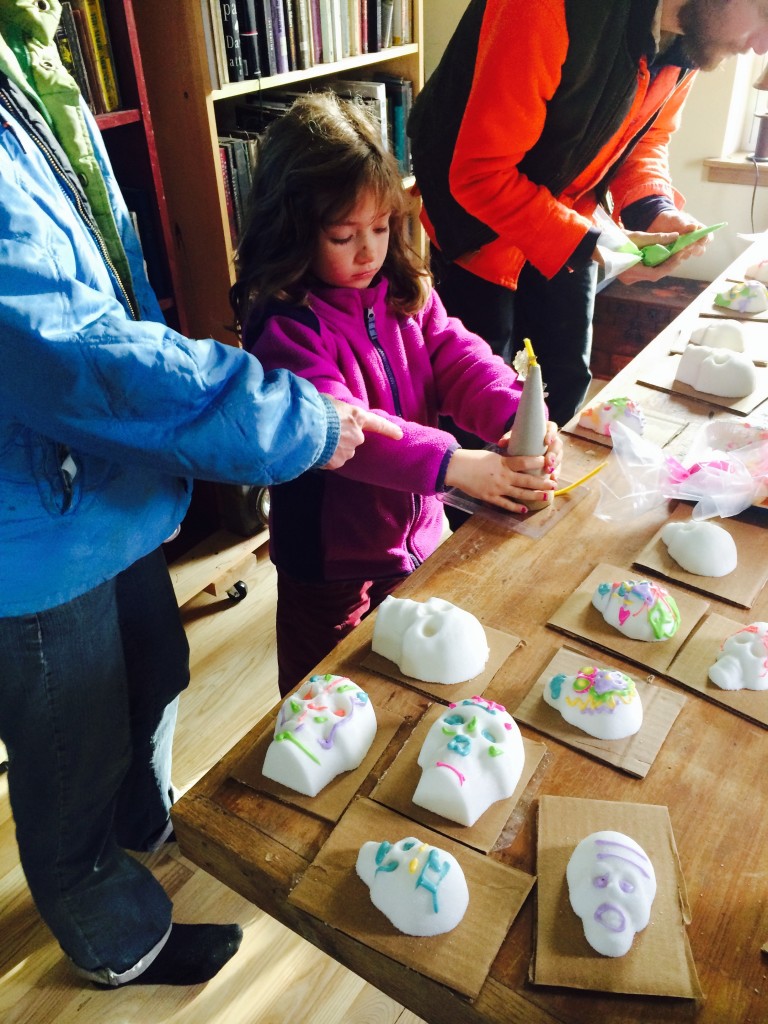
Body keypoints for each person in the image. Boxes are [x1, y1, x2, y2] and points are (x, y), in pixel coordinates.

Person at [0, 2, 401, 990]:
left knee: (153, 667)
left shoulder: (25, 51)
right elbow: (70, 352)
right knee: (70, 743)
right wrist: (289, 421)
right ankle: (111, 934)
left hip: (95, 485)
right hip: (31, 525)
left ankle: (140, 829)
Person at [229, 92, 563, 696]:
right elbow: (349, 431)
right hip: (330, 566)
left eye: (381, 228)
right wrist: (457, 464)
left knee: (412, 686)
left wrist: (516, 411)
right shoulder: (286, 326)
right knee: (322, 696)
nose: (369, 251)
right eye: (343, 235)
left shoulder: (401, 289)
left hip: (420, 543)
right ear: (293, 230)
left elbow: (457, 356)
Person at [406, 0, 765, 432]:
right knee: (475, 400)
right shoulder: (545, 7)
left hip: (569, 219)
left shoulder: (692, 34)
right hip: (476, 230)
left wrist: (653, 208)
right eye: (766, 15)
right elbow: (481, 175)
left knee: (565, 382)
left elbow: (647, 137)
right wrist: (601, 246)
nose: (763, 47)